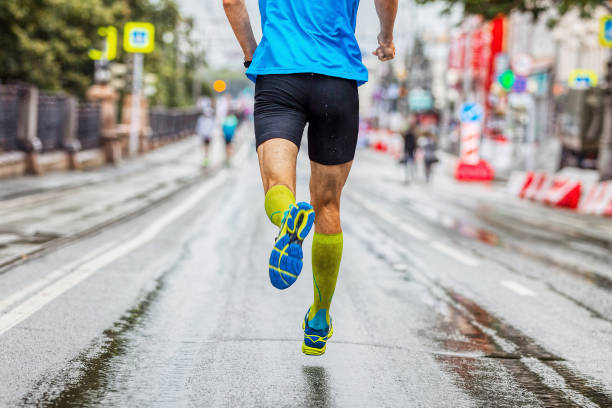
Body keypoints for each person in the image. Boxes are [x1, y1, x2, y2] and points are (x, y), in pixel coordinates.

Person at [224, 0, 397, 355]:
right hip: (337, 79)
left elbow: (231, 1)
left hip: (278, 77)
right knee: (328, 206)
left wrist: (251, 53)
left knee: (277, 186)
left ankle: (288, 217)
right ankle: (319, 318)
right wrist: (386, 37)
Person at [196, 102, 215, 167]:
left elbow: (212, 128)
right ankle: (205, 158)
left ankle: (206, 158)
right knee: (204, 147)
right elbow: (199, 127)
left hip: (207, 136)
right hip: (203, 135)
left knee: (206, 147)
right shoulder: (201, 119)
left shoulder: (210, 119)